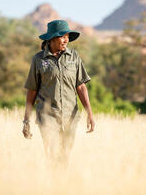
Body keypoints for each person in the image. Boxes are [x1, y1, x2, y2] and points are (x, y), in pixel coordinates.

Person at [22, 20, 95, 167]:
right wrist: (26, 120)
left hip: (70, 117)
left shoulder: (74, 57)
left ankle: (62, 185)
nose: (66, 39)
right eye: (62, 36)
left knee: (65, 154)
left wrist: (90, 113)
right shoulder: (39, 59)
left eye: (67, 36)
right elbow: (32, 90)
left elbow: (81, 87)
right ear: (52, 38)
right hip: (47, 115)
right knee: (51, 153)